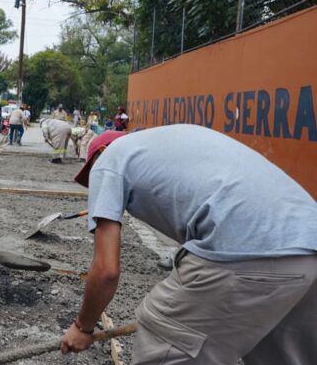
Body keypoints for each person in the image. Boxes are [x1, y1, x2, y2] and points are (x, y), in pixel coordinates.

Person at [60, 125, 317, 364]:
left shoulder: (110, 158)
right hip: (309, 243)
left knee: (163, 333)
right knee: (278, 354)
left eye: (91, 173)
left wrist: (83, 327)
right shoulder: (173, 141)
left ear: (102, 151)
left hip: (248, 248)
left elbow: (106, 271)